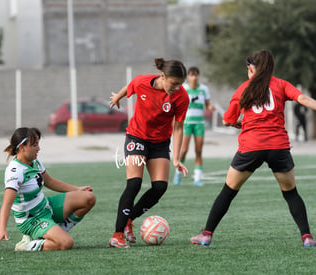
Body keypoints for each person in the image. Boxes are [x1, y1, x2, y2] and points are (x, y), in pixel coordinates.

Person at [190, 50, 316, 248]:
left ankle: (206, 235)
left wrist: (238, 123)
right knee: (291, 193)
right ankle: (307, 237)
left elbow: (226, 120)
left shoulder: (243, 89)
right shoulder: (281, 84)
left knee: (228, 192)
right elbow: (303, 99)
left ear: (251, 67)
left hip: (251, 147)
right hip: (278, 146)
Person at [108, 58, 190, 248]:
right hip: (136, 138)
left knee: (160, 187)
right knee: (134, 183)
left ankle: (130, 219)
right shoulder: (142, 82)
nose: (177, 88)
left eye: (180, 84)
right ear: (163, 76)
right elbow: (130, 86)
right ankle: (117, 235)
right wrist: (117, 97)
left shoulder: (181, 97)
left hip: (160, 143)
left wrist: (176, 157)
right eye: (174, 83)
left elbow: (178, 128)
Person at [0, 127, 96, 251]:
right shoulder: (15, 172)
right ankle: (25, 245)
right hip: (31, 220)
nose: (38, 148)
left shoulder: (35, 161)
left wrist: (77, 189)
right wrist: (2, 230)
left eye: (38, 144)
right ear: (22, 148)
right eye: (34, 145)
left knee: (88, 198)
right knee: (66, 243)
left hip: (46, 207)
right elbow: (6, 204)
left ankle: (58, 231)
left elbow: (50, 181)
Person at [173, 67, 215, 186]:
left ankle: (197, 178)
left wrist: (210, 107)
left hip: (199, 124)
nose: (194, 77)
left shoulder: (204, 89)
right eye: (192, 75)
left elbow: (207, 104)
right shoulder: (183, 89)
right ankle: (178, 174)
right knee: (184, 150)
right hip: (186, 123)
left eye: (196, 75)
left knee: (198, 150)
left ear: (199, 76)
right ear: (188, 76)